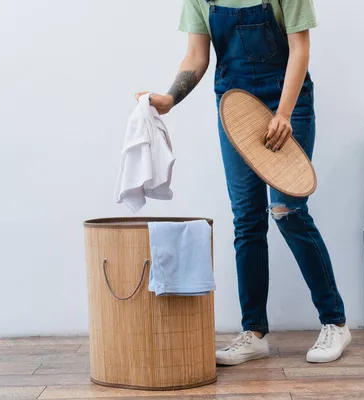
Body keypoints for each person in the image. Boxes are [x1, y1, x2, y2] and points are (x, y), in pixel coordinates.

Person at [136, 0, 350, 365]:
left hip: (288, 101)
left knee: (289, 211)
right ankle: (254, 333)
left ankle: (335, 322)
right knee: (247, 219)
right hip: (234, 105)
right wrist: (171, 98)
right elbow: (195, 56)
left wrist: (284, 113)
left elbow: (300, 47)